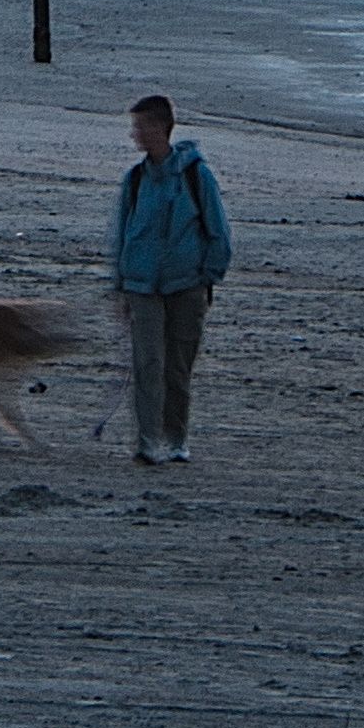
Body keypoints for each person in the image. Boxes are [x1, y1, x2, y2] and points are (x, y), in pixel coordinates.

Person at [108, 92, 233, 463]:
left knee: (177, 368)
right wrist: (120, 285)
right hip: (141, 285)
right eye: (135, 127)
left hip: (187, 284)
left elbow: (218, 231)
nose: (135, 134)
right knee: (147, 364)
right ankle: (147, 442)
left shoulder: (196, 174)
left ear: (161, 128)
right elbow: (121, 234)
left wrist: (208, 276)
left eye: (141, 126)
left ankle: (176, 439)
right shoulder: (134, 179)